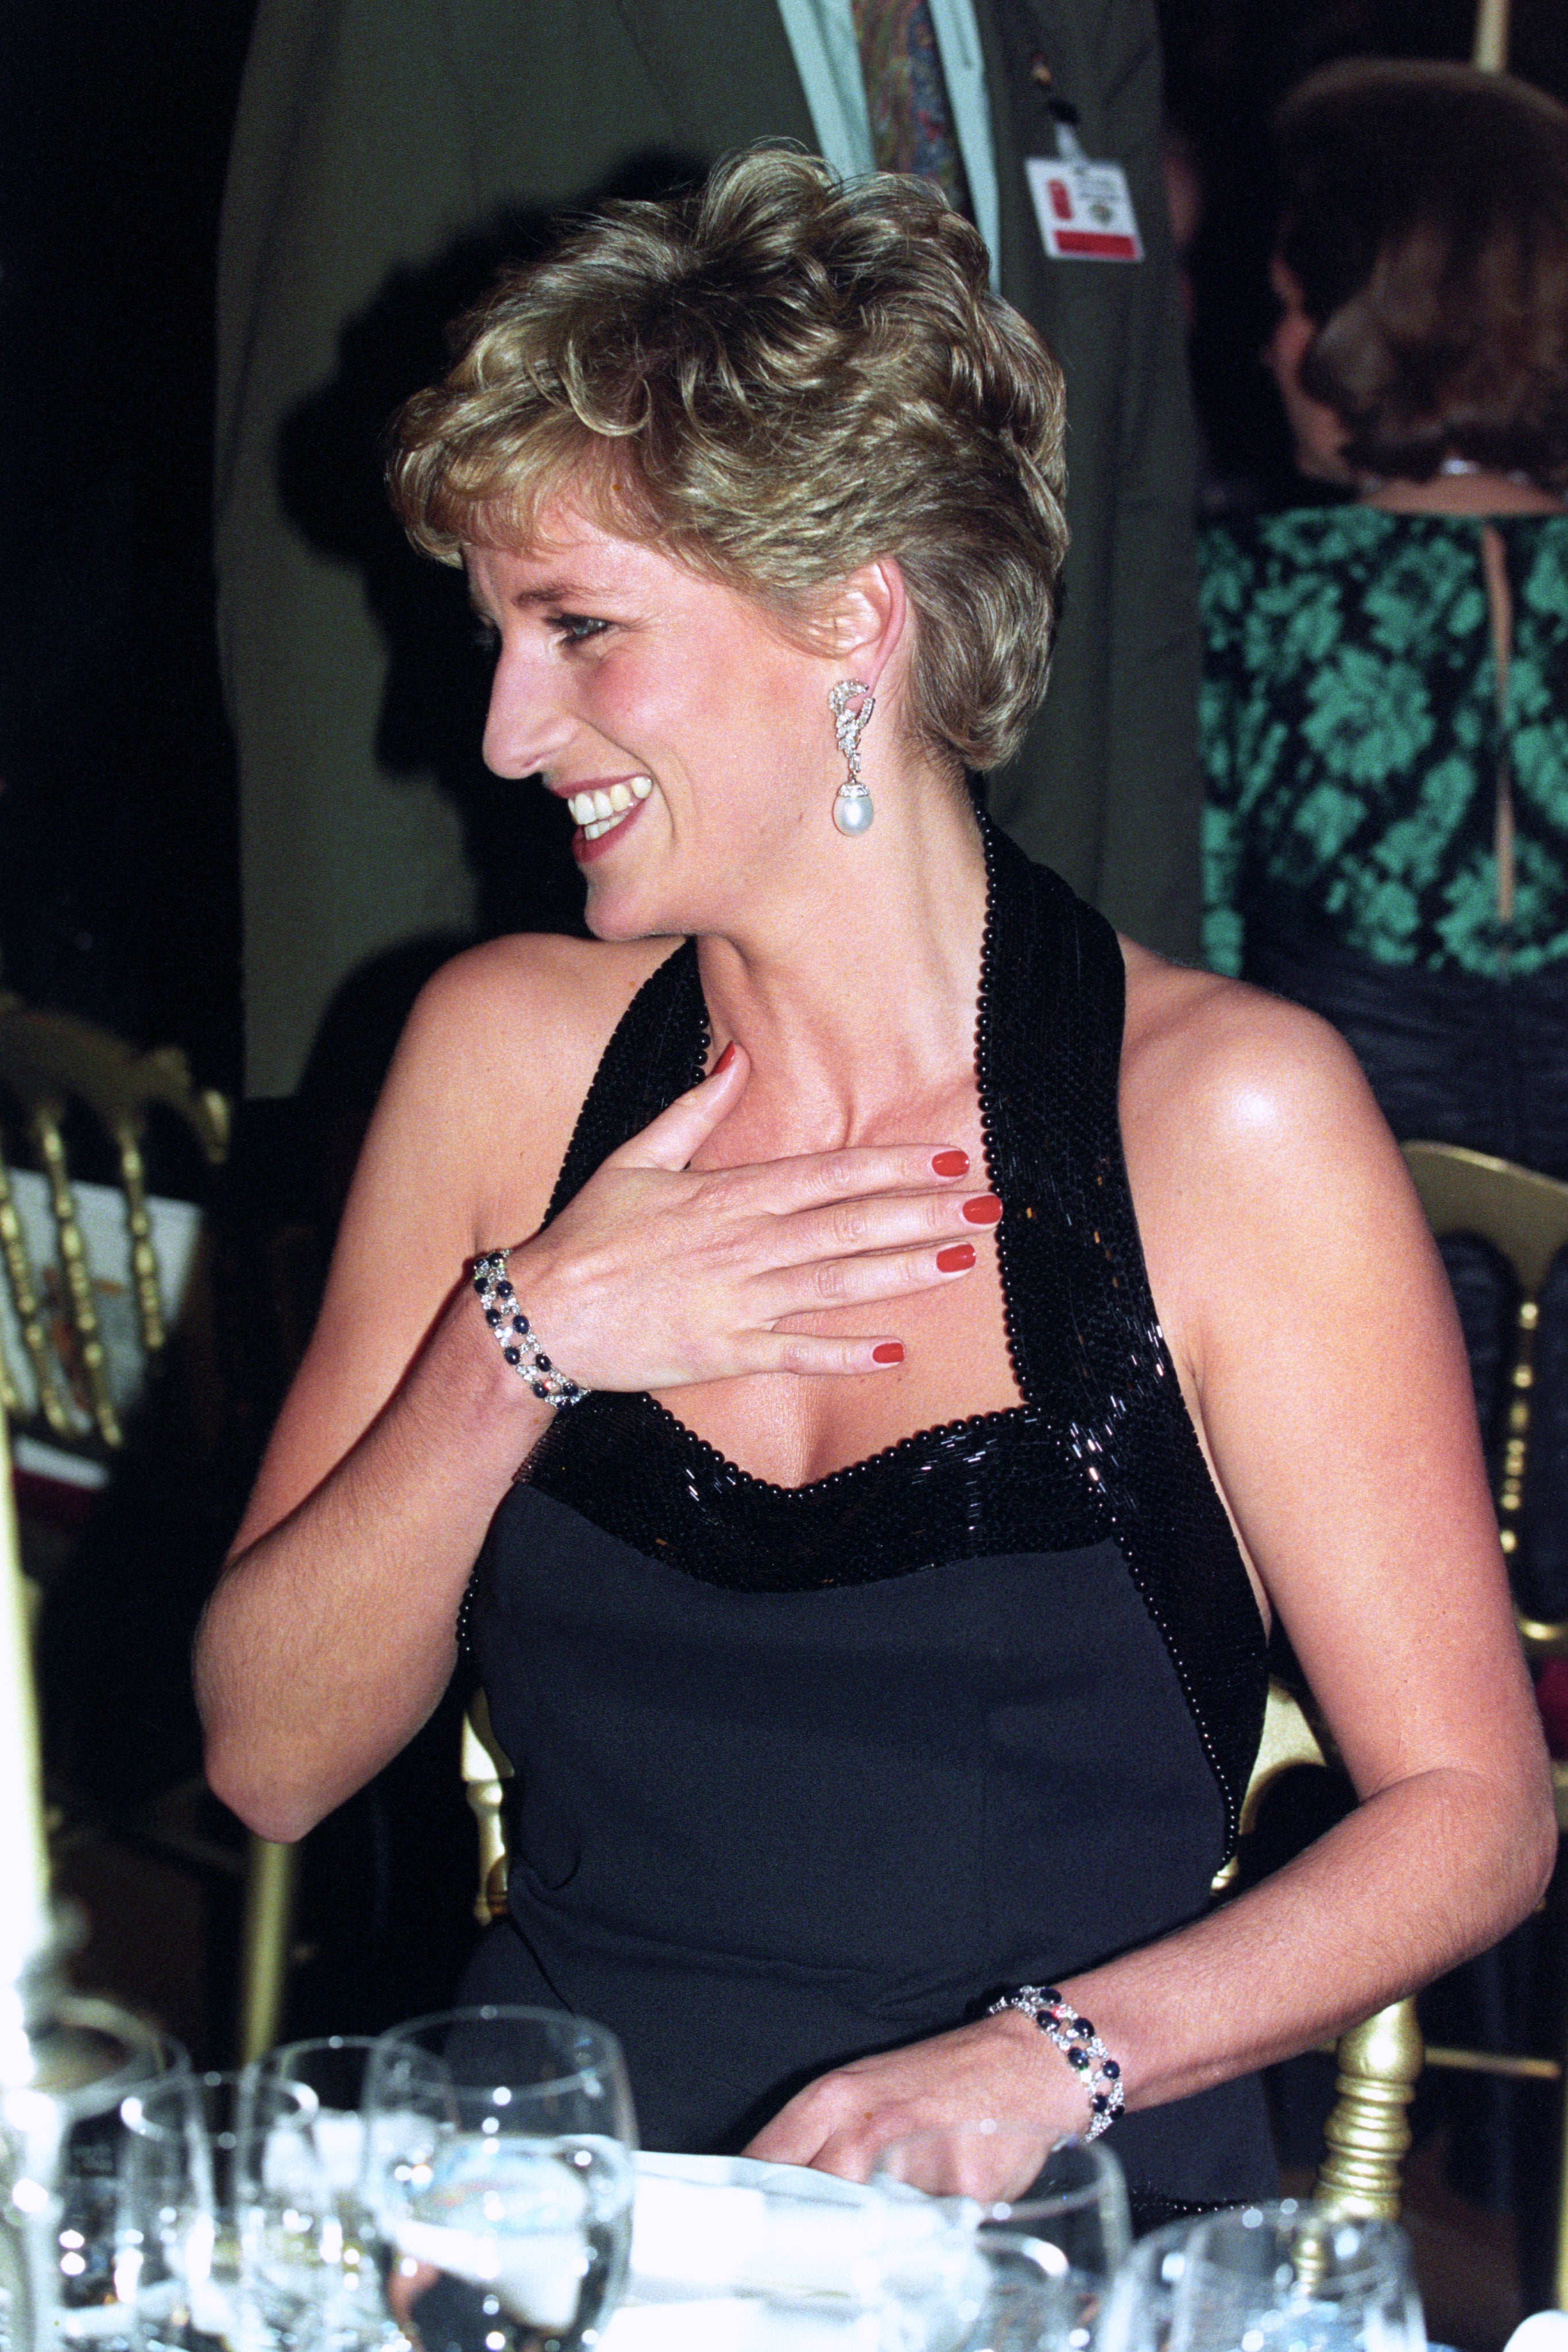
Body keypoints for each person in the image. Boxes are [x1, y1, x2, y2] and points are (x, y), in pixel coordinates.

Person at [196, 152, 1552, 2223]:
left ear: (851, 614)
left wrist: (1057, 2056)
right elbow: (268, 1754)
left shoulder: (1220, 1126)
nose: (496, 727)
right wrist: (529, 1342)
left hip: (1041, 2216)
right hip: (559, 2217)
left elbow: (1474, 1811)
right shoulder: (505, 1055)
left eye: (579, 629)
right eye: (493, 634)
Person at [216, 0, 1201, 1098]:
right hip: (588, 989)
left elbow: (1138, 519)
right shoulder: (491, 1061)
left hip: (1042, 979)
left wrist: (1141, 1030)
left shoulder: (1091, 22)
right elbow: (310, 576)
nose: (509, 732)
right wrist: (344, 1092)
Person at [1200, 59, 1568, 1618]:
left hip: (1339, 1263)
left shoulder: (1245, 593)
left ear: (1376, 314)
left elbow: (1197, 954)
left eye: (1288, 300)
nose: (1269, 342)